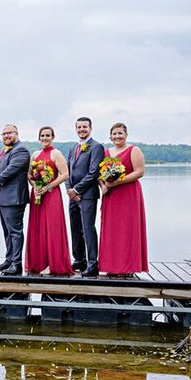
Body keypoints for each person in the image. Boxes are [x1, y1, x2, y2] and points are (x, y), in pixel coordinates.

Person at [98, 122, 149, 275]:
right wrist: (103, 185)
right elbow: (99, 174)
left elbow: (139, 172)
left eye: (120, 133)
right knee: (111, 229)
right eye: (114, 134)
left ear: (126, 134)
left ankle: (128, 267)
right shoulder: (106, 152)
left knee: (127, 229)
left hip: (128, 194)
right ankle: (111, 266)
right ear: (110, 136)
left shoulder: (134, 150)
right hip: (111, 196)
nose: (117, 136)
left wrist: (117, 182)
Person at [24, 127, 72, 275]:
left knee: (52, 227)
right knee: (37, 227)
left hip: (51, 194)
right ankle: (39, 262)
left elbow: (65, 175)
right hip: (37, 193)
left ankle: (54, 264)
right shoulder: (35, 154)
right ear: (39, 138)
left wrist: (47, 187)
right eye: (42, 136)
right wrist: (35, 186)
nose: (45, 138)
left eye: (47, 135)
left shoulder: (56, 153)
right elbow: (29, 175)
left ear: (52, 137)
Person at [0, 124, 31, 275]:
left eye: (9, 133)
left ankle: (16, 264)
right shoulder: (3, 151)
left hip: (14, 197)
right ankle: (9, 260)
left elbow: (11, 170)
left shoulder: (21, 150)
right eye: (4, 133)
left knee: (15, 232)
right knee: (7, 231)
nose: (6, 136)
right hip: (3, 198)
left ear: (16, 133)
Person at [66, 116, 105, 277]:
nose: (82, 130)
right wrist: (70, 189)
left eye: (84, 127)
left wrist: (77, 190)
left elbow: (93, 172)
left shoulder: (96, 147)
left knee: (88, 228)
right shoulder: (73, 148)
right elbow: (67, 171)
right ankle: (79, 259)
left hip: (87, 195)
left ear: (90, 128)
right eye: (79, 127)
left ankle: (92, 263)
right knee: (75, 228)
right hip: (72, 195)